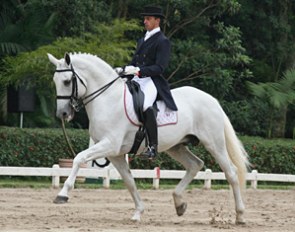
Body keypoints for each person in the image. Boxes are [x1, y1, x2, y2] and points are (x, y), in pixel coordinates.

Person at [120, 5, 178, 159]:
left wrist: (139, 71)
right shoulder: (142, 39)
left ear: (157, 20)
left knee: (145, 105)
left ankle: (152, 146)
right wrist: (124, 70)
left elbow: (160, 67)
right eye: (144, 19)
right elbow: (134, 61)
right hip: (137, 78)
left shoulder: (162, 41)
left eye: (148, 19)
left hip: (152, 80)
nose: (145, 21)